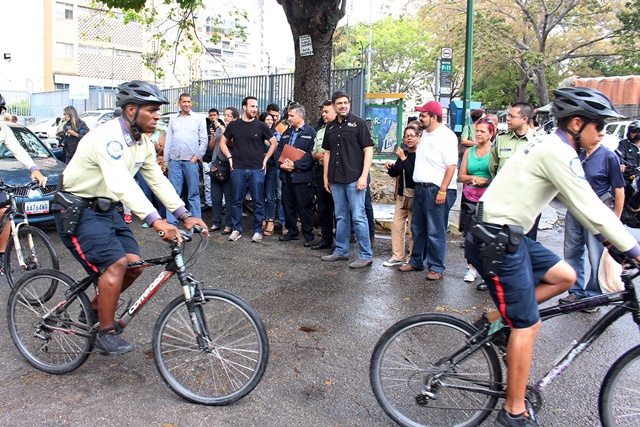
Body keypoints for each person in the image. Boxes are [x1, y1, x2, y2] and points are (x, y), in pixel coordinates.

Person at [465, 87, 640, 427]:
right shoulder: (557, 152)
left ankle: (495, 320)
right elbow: (589, 205)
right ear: (577, 123)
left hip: (506, 234)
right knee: (528, 325)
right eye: (599, 125)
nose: (603, 132)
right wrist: (633, 249)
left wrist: (613, 244)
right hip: (498, 240)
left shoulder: (555, 146)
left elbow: (584, 207)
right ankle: (513, 412)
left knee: (565, 276)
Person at [54, 81, 208, 356]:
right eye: (152, 110)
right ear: (130, 109)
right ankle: (105, 333)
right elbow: (122, 183)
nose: (158, 116)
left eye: (158, 111)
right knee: (115, 264)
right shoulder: (109, 138)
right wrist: (156, 221)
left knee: (135, 266)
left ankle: (92, 310)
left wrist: (184, 214)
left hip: (107, 210)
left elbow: (157, 181)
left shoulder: (143, 144)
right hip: (78, 210)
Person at [560, 120, 625, 308]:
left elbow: (619, 190)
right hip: (575, 211)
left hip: (597, 212)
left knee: (595, 256)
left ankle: (593, 296)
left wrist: (616, 219)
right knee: (572, 252)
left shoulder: (608, 157)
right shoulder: (578, 155)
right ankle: (575, 292)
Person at [399, 101, 458, 281]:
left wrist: (443, 190)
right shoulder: (424, 135)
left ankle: (436, 267)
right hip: (421, 188)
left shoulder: (446, 136)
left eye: (423, 115)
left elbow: (451, 165)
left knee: (435, 230)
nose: (420, 118)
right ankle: (416, 260)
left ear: (434, 117)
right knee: (417, 228)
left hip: (436, 189)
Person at [321, 90, 374, 269]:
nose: (343, 106)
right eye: (339, 103)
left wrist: (363, 176)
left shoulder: (359, 124)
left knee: (359, 217)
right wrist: (325, 176)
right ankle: (341, 251)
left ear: (349, 104)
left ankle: (365, 255)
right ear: (334, 106)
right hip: (336, 179)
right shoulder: (330, 127)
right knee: (341, 216)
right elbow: (327, 153)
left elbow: (368, 150)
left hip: (354, 179)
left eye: (346, 102)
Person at [219, 96, 278, 243]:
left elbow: (274, 143)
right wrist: (230, 158)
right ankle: (236, 229)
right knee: (236, 201)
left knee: (258, 201)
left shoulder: (261, 125)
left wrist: (265, 160)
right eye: (252, 106)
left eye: (256, 107)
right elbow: (222, 143)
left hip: (257, 169)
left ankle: (258, 231)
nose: (255, 109)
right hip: (238, 168)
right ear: (244, 107)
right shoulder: (234, 125)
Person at [0, 119, 48, 273]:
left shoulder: (3, 129)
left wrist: (33, 168)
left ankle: (1, 257)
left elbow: (18, 149)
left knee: (6, 211)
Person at [489, 102, 539, 240]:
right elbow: (493, 167)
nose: (508, 119)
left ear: (524, 119)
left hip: (529, 203)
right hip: (504, 201)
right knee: (501, 243)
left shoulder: (539, 141)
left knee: (527, 243)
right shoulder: (501, 139)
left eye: (512, 116)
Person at [458, 118, 494, 291]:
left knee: (488, 235)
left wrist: (485, 180)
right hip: (469, 197)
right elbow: (461, 176)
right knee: (470, 234)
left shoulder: (494, 152)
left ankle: (488, 272)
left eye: (483, 131)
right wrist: (474, 178)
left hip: (489, 198)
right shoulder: (469, 151)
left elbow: (498, 174)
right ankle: (471, 268)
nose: (479, 134)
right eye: (477, 131)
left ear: (491, 134)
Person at [275, 104, 317, 246]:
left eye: (292, 115)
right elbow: (279, 150)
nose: (289, 118)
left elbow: (312, 154)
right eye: (288, 115)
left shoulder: (311, 133)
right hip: (286, 177)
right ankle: (292, 231)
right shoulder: (287, 132)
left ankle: (308, 236)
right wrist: (281, 165)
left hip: (302, 178)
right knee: (288, 205)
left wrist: (295, 165)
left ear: (301, 116)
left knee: (304, 207)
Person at [163, 93, 208, 225]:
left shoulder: (198, 118)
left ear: (191, 103)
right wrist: (166, 161)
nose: (187, 104)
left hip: (190, 160)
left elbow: (204, 140)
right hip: (175, 160)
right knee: (173, 194)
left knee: (193, 193)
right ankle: (172, 223)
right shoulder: (173, 119)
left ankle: (196, 222)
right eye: (184, 102)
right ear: (179, 103)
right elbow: (169, 140)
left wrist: (196, 157)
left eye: (189, 101)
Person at [382, 125, 419, 267]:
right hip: (402, 195)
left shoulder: (420, 154)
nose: (409, 138)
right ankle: (397, 256)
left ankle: (412, 258)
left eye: (412, 136)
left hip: (415, 195)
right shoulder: (403, 153)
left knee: (413, 228)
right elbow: (397, 172)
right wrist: (390, 167)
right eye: (406, 136)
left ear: (418, 138)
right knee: (397, 226)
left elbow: (412, 174)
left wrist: (403, 158)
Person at [310, 100, 337, 251]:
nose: (323, 114)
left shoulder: (340, 130)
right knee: (324, 208)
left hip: (336, 174)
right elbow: (313, 152)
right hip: (321, 172)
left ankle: (340, 242)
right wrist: (317, 155)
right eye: (323, 112)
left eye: (327, 112)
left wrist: (328, 156)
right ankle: (326, 239)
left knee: (339, 210)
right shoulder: (320, 131)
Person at [209, 107, 237, 234]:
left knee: (229, 197)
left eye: (229, 115)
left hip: (228, 167)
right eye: (225, 115)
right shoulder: (220, 130)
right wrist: (213, 136)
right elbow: (211, 147)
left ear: (234, 117)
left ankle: (229, 225)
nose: (226, 117)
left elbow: (231, 143)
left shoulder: (235, 129)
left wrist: (221, 128)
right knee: (215, 197)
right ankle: (216, 222)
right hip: (215, 165)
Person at [259, 112, 279, 236]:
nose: (270, 121)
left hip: (272, 167)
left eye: (271, 119)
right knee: (259, 195)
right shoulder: (258, 133)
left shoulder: (276, 134)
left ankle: (270, 220)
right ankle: (261, 218)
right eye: (267, 119)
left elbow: (279, 149)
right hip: (259, 167)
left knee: (270, 195)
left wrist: (269, 155)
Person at [202, 108, 223, 212]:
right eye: (210, 115)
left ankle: (222, 205)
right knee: (207, 183)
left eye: (214, 115)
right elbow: (208, 145)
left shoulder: (222, 126)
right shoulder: (206, 128)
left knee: (220, 182)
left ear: (218, 116)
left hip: (219, 160)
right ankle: (208, 203)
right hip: (207, 158)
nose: (212, 117)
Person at [615, 120, 640, 198]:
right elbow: (618, 155)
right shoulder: (624, 144)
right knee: (620, 190)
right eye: (631, 132)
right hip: (629, 175)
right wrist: (621, 164)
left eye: (634, 132)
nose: (632, 134)